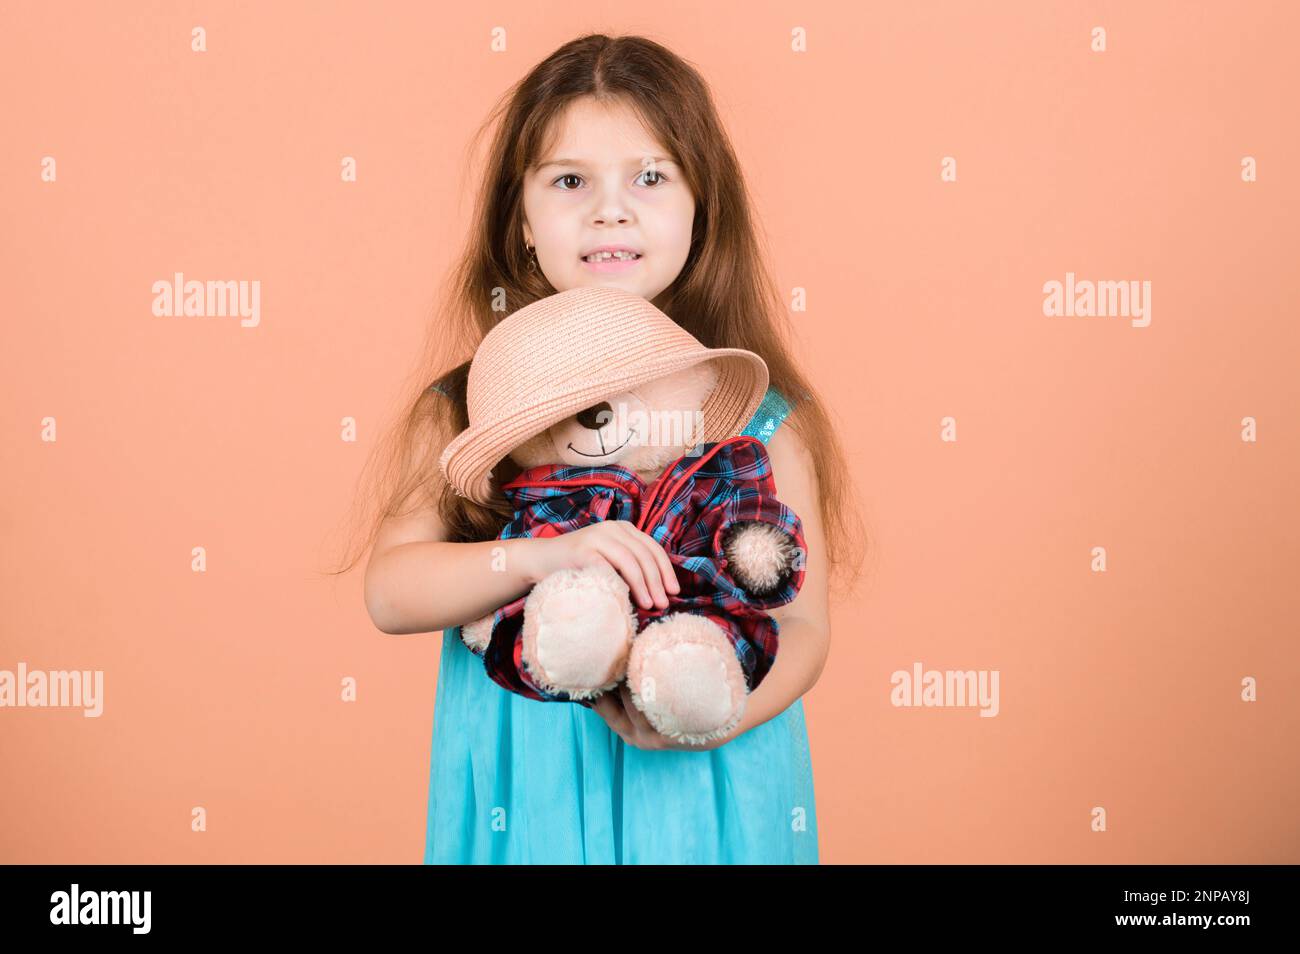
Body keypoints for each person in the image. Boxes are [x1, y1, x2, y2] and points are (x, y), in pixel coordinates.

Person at [350, 34, 866, 864]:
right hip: (531, 799)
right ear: (520, 218)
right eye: (569, 181)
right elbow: (390, 592)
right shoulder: (465, 412)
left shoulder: (762, 420)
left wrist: (709, 715)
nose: (610, 210)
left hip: (710, 792)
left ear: (703, 209)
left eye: (650, 177)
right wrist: (539, 559)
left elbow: (804, 630)